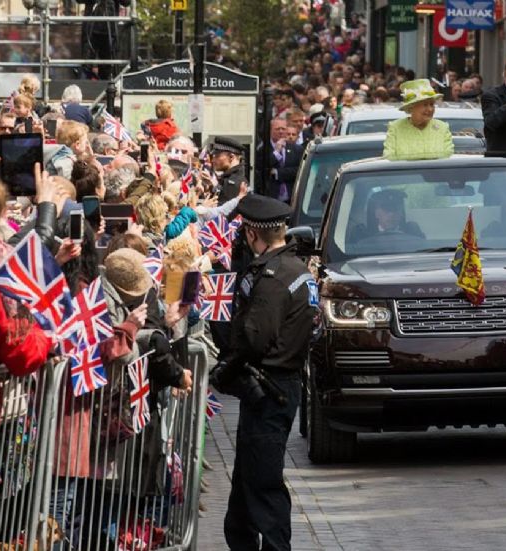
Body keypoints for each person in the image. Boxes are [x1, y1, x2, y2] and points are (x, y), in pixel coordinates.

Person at [214, 194, 318, 551]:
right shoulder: (296, 269)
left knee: (263, 485)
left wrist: (225, 365)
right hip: (276, 386)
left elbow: (254, 339)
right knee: (246, 485)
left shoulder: (272, 277)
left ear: (252, 234)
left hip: (269, 388)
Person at [382, 79, 453, 161]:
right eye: (425, 105)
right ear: (411, 107)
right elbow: (388, 159)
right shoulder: (396, 128)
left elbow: (448, 158)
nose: (430, 109)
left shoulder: (442, 128)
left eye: (432, 104)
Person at [261, 118, 302, 203]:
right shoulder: (263, 148)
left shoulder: (296, 149)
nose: (281, 131)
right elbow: (264, 167)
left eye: (283, 129)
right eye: (277, 129)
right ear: (271, 130)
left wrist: (277, 172)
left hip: (291, 197)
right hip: (270, 197)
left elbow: (299, 170)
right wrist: (276, 152)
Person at [210, 136, 248, 204]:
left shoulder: (233, 183)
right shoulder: (228, 178)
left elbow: (224, 212)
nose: (213, 160)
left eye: (217, 156)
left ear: (231, 157)